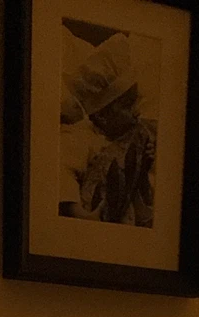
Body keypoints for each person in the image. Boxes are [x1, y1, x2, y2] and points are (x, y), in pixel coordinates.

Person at [59, 29, 156, 228]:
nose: (137, 110)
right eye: (128, 105)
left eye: (136, 101)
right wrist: (79, 214)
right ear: (103, 116)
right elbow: (63, 170)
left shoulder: (135, 135)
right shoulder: (83, 137)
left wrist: (146, 164)